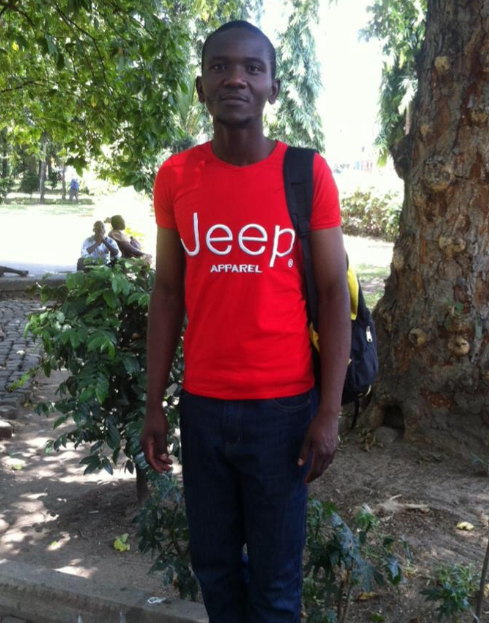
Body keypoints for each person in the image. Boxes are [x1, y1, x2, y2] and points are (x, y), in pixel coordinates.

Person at [140, 20, 351, 623]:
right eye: (221, 66)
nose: (236, 78)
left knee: (276, 585)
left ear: (272, 88)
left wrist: (328, 413)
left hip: (283, 413)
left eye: (252, 68)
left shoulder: (307, 173)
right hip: (203, 408)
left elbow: (333, 293)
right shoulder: (176, 176)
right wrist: (154, 404)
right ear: (201, 85)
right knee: (214, 570)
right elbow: (166, 292)